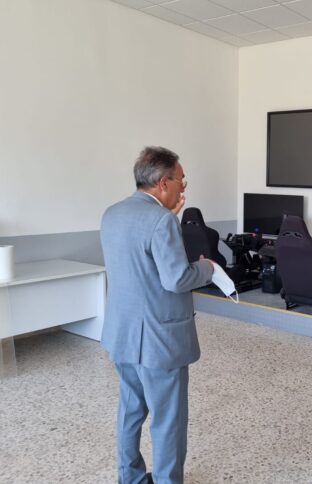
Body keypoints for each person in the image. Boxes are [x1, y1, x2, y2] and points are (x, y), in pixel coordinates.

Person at [100, 146, 215, 484]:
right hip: (159, 341)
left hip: (122, 334)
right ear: (164, 182)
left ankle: (130, 478)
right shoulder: (162, 221)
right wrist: (207, 268)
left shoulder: (112, 214)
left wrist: (169, 219)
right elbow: (176, 278)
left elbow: (141, 267)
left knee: (130, 410)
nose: (183, 188)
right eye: (181, 180)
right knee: (168, 420)